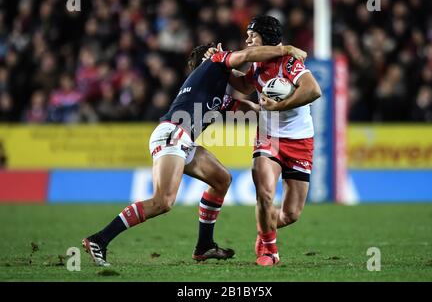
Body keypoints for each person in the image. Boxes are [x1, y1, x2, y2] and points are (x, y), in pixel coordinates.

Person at [82, 41, 308, 266]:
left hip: (183, 140)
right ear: (210, 56)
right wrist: (285, 50)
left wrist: (281, 104)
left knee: (221, 179)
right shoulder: (215, 62)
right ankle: (99, 240)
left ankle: (204, 246)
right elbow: (248, 55)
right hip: (173, 134)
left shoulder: (214, 89)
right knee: (163, 202)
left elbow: (247, 107)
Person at [208, 15, 321, 266]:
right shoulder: (257, 64)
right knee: (265, 194)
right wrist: (218, 64)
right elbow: (244, 85)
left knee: (291, 214)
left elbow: (313, 90)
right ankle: (269, 251)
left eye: (253, 34)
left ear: (267, 38)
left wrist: (282, 104)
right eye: (247, 34)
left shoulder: (289, 62)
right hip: (268, 137)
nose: (248, 38)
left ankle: (264, 231)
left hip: (300, 141)